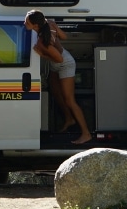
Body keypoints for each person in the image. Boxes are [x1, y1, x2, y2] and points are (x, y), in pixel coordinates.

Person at [25, 10, 92, 144]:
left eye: (26, 22)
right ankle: (69, 119)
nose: (24, 23)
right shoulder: (50, 23)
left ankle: (86, 133)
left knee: (69, 100)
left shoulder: (42, 42)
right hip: (55, 62)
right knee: (55, 92)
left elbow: (59, 59)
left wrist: (41, 53)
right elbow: (64, 37)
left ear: (35, 26)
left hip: (64, 63)